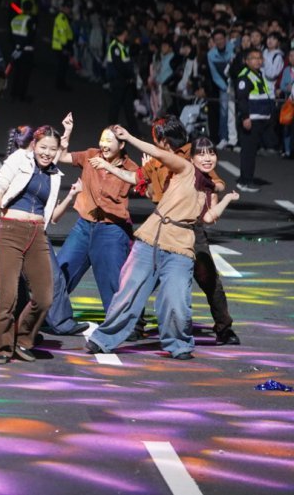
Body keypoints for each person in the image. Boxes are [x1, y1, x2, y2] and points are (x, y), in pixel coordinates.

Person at [87, 133, 239, 360]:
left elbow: (208, 218)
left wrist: (227, 199)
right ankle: (103, 339)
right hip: (151, 238)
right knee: (128, 293)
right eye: (201, 153)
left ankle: (179, 345)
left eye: (211, 153)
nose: (207, 158)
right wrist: (129, 136)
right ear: (193, 157)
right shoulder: (185, 169)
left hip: (180, 246)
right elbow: (158, 152)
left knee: (176, 300)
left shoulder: (210, 189)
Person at [136, 117, 238, 346]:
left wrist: (213, 191)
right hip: (164, 227)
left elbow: (216, 181)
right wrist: (148, 174)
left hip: (192, 228)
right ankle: (136, 325)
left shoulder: (190, 155)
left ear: (162, 140)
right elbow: (153, 195)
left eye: (158, 139)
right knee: (147, 276)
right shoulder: (155, 161)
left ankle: (224, 328)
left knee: (208, 277)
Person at [50, 117, 138, 329]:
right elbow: (61, 156)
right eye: (102, 140)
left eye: (109, 141)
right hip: (83, 226)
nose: (104, 145)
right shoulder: (90, 155)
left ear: (122, 145)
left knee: (112, 283)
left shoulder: (131, 168)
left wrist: (111, 168)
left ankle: (122, 325)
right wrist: (67, 131)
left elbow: (146, 185)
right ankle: (50, 318)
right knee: (60, 274)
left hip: (112, 229)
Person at [0, 126, 62, 363]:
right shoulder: (19, 159)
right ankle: (2, 348)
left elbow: (49, 211)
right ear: (34, 145)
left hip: (37, 233)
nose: (47, 153)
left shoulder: (56, 175)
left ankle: (24, 340)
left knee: (45, 296)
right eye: (43, 147)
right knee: (8, 297)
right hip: (9, 230)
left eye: (52, 149)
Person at [235, 47, 276, 192]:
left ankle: (246, 179)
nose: (257, 61)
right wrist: (245, 117)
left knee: (251, 151)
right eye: (253, 58)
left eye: (259, 58)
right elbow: (242, 99)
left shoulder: (258, 73)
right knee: (248, 152)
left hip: (259, 118)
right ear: (246, 61)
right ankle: (246, 181)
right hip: (251, 118)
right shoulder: (245, 76)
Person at [105, 24, 139, 135]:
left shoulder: (121, 45)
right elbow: (119, 65)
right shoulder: (115, 46)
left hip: (125, 81)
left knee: (129, 107)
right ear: (124, 33)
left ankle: (134, 131)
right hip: (119, 81)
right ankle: (111, 130)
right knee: (115, 106)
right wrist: (130, 76)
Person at [52, 2, 74, 91]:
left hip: (60, 46)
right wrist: (65, 47)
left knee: (63, 66)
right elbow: (62, 34)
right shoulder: (62, 18)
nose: (69, 10)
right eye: (68, 8)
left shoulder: (63, 18)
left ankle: (61, 84)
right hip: (61, 46)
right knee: (62, 67)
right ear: (64, 8)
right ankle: (60, 85)